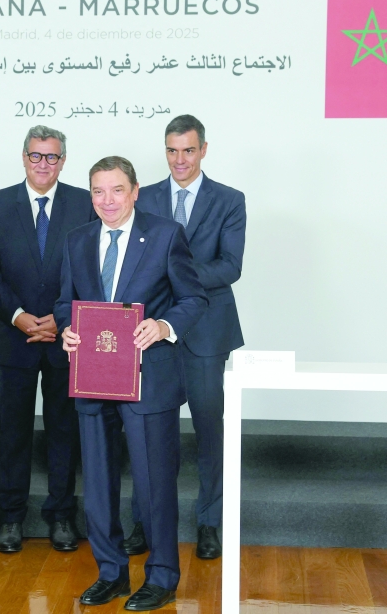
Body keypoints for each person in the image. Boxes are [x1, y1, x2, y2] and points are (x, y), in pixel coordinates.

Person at [55, 157, 207, 610]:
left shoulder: (164, 235)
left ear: (135, 191)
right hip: (92, 376)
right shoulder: (77, 240)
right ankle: (111, 572)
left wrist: (163, 326)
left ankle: (161, 576)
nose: (107, 201)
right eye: (98, 192)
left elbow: (193, 298)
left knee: (153, 482)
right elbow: (67, 302)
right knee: (98, 482)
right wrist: (67, 328)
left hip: (149, 379)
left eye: (117, 190)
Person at [127, 115, 246, 561]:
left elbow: (230, 266)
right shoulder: (147, 196)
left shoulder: (229, 200)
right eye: (172, 150)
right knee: (146, 430)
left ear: (204, 150)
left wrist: (173, 272)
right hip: (151, 331)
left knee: (209, 432)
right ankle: (144, 522)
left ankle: (209, 522)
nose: (180, 159)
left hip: (205, 331)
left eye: (188, 150)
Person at [0, 125, 96, 553]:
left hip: (67, 339)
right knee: (13, 432)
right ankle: (10, 517)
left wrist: (58, 320)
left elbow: (90, 270)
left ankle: (61, 516)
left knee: (65, 431)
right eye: (35, 156)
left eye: (51, 157)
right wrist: (18, 316)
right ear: (23, 157)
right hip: (15, 337)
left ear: (63, 161)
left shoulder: (84, 204)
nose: (42, 164)